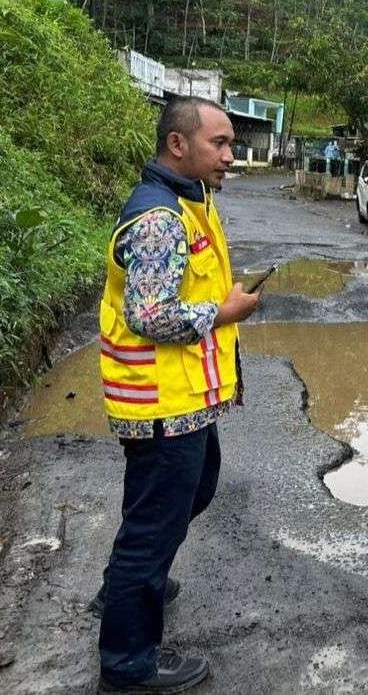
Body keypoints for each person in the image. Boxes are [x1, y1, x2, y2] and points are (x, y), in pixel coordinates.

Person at [93, 97, 261, 693]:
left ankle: (127, 580)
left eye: (231, 142)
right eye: (220, 143)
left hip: (183, 399)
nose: (231, 155)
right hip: (159, 402)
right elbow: (151, 315)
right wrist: (225, 312)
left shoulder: (190, 199)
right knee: (154, 526)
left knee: (193, 489)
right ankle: (127, 665)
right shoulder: (160, 218)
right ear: (178, 145)